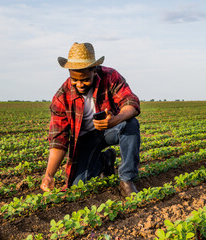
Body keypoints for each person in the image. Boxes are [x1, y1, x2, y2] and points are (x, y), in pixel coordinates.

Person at [40, 42, 141, 197]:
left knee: (131, 123)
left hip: (109, 130)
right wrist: (49, 174)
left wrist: (116, 119)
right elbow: (58, 140)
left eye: (85, 79)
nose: (79, 84)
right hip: (85, 140)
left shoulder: (110, 76)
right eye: (74, 79)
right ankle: (106, 160)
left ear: (94, 70)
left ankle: (127, 180)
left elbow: (130, 102)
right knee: (78, 184)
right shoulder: (61, 97)